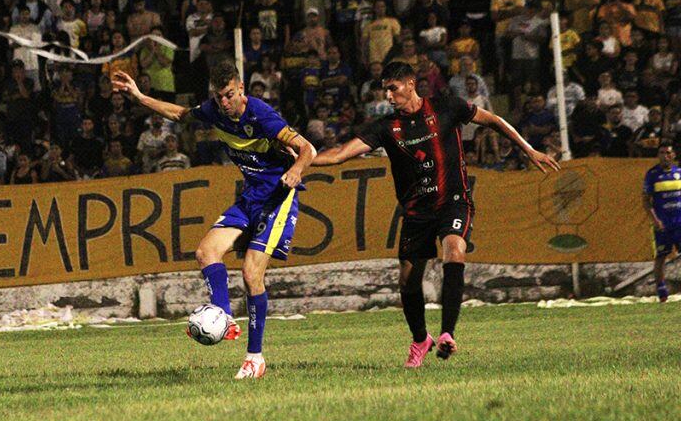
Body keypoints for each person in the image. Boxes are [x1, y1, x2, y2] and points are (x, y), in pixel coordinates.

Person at [310, 62, 559, 368]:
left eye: (393, 88)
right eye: (385, 89)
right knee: (408, 281)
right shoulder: (386, 127)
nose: (388, 96)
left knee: (454, 250)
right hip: (416, 211)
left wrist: (528, 149)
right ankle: (420, 339)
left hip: (453, 201)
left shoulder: (446, 106)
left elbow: (493, 120)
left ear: (410, 84)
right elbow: (337, 155)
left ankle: (447, 334)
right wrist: (300, 159)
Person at [112, 62, 316, 380]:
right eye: (219, 96)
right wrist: (139, 95)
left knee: (251, 274)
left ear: (241, 90)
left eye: (230, 95)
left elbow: (307, 149)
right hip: (251, 197)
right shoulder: (215, 111)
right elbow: (180, 115)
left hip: (278, 198)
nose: (224, 103)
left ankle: (255, 358)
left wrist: (296, 170)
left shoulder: (261, 114)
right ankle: (223, 314)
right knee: (206, 252)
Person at [643, 142, 681, 301]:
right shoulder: (652, 174)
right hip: (663, 222)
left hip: (680, 221)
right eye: (662, 153)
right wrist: (655, 220)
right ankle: (662, 293)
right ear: (658, 155)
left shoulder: (679, 172)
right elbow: (646, 201)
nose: (665, 156)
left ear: (673, 155)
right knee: (661, 256)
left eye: (668, 153)